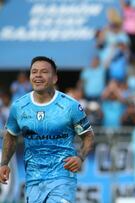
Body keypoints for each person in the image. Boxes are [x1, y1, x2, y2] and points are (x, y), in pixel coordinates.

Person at [0, 56, 94, 203]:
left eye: (44, 72)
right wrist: (4, 163)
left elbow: (88, 136)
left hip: (62, 177)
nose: (38, 75)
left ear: (55, 78)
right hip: (33, 179)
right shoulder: (18, 106)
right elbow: (11, 135)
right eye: (34, 72)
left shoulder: (70, 106)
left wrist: (80, 157)